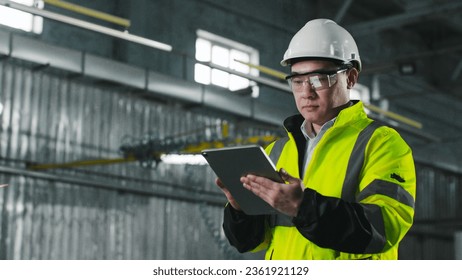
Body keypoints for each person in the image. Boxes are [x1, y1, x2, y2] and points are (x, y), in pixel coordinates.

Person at [215, 18, 416, 260]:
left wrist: (303, 208)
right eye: (297, 81)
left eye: (319, 79)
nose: (306, 92)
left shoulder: (381, 143)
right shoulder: (276, 151)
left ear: (351, 78)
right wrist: (240, 208)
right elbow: (250, 242)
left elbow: (385, 228)